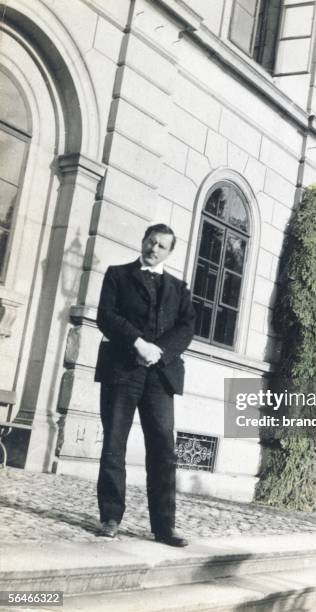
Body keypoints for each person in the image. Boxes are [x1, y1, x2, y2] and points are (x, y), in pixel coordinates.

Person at [94, 223, 195, 546]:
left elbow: (186, 328)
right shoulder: (117, 275)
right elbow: (106, 316)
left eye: (162, 246)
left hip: (160, 377)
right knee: (114, 445)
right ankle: (110, 517)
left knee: (164, 450)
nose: (154, 249)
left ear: (169, 252)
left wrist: (159, 352)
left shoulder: (179, 289)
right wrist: (138, 343)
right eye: (151, 242)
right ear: (143, 241)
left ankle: (164, 527)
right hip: (122, 371)